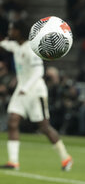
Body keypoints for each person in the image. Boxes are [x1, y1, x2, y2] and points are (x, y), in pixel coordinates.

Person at [0, 21, 73, 171]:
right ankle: (13, 162)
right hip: (21, 91)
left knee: (44, 127)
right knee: (12, 122)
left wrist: (26, 88)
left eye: (12, 29)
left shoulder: (32, 49)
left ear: (19, 31)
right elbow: (7, 45)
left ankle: (66, 157)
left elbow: (38, 72)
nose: (10, 31)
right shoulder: (17, 46)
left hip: (34, 91)